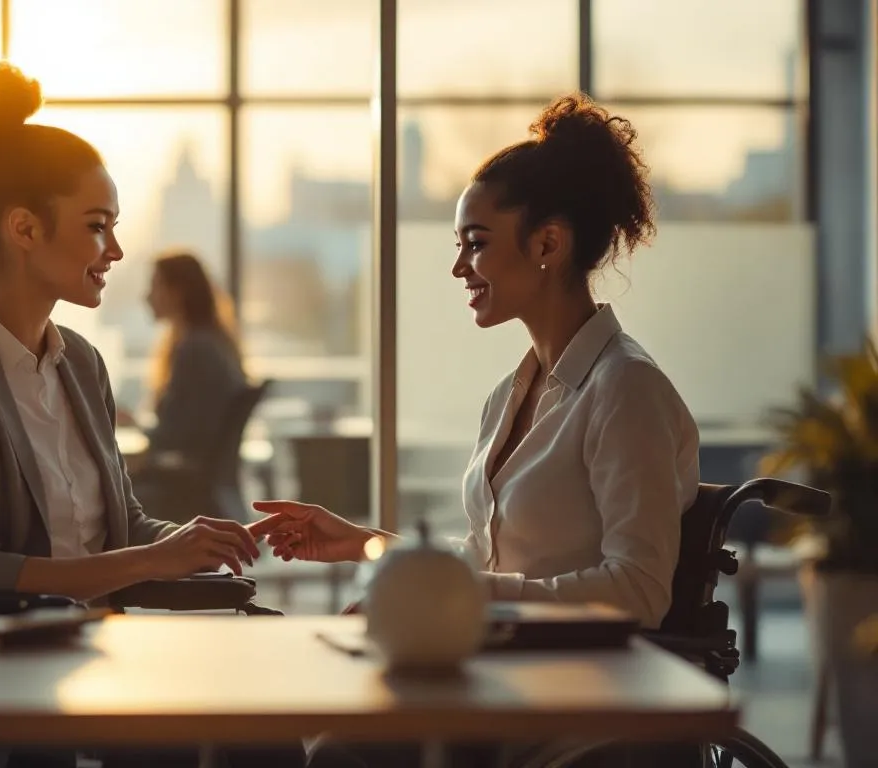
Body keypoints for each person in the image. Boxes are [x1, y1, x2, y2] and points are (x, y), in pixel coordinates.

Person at [251, 95, 701, 766]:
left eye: (475, 244)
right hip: (498, 676)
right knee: (302, 726)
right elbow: (495, 563)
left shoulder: (626, 390)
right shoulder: (513, 395)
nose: (459, 269)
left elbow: (638, 592)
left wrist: (460, 598)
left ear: (548, 243)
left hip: (572, 702)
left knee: (338, 751)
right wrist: (369, 547)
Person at [0, 61, 300, 768]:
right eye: (97, 226)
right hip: (2, 683)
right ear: (24, 229)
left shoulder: (80, 362)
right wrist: (150, 558)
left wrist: (200, 539)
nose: (116, 251)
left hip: (94, 662)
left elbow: (120, 529)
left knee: (267, 727)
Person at [119, 250, 248, 518]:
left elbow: (175, 437)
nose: (147, 296)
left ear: (177, 292)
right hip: (202, 485)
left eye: (155, 286)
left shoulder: (194, 350)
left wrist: (131, 423)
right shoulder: (212, 343)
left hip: (183, 487)